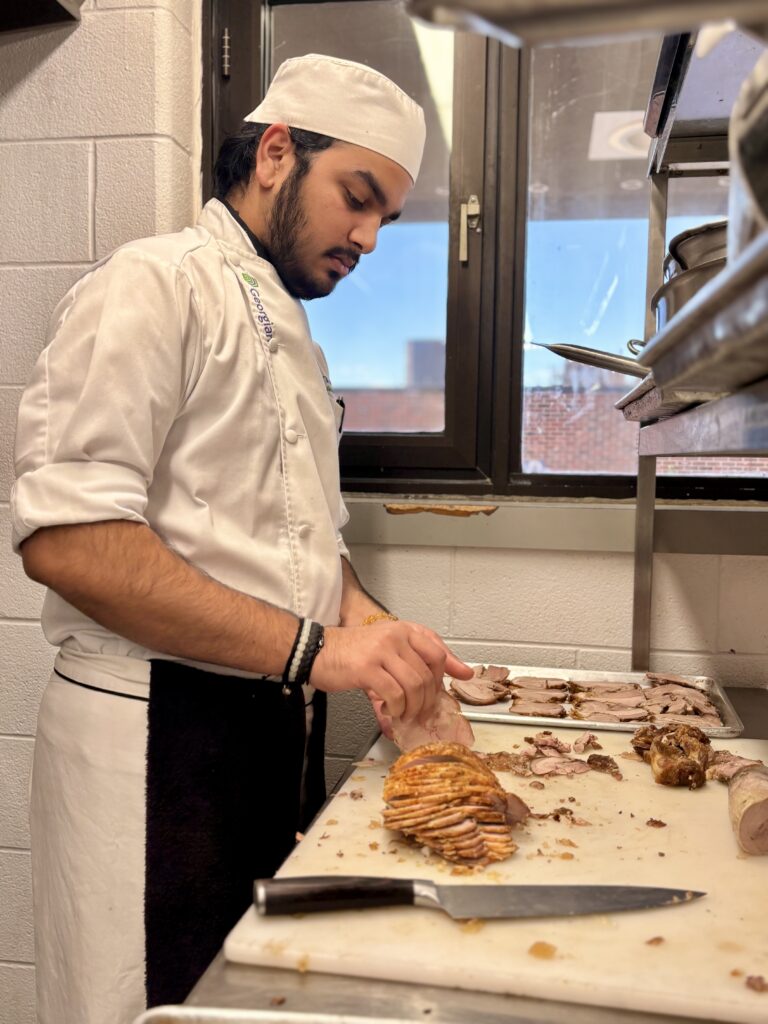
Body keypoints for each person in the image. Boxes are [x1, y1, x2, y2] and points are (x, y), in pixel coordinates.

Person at [12, 54, 473, 1024]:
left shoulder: (294, 339)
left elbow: (307, 546)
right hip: (153, 746)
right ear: (275, 153)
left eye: (386, 214)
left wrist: (389, 643)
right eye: (359, 196)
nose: (371, 236)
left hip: (260, 748)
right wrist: (318, 649)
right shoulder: (152, 285)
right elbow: (69, 541)